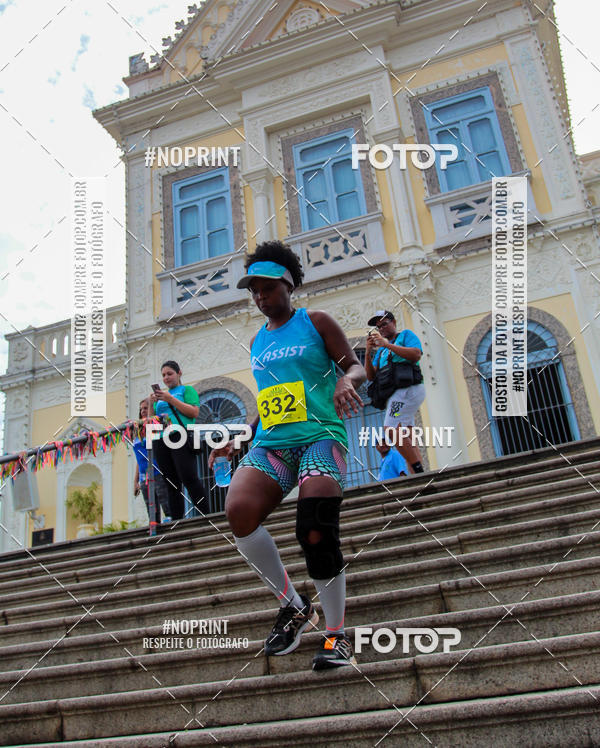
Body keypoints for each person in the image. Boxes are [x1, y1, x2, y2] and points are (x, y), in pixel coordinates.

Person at [208, 240, 365, 671]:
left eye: (268, 287)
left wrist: (344, 381)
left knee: (314, 528)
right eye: (254, 290)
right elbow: (271, 400)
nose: (260, 296)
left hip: (319, 435)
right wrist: (239, 437)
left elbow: (356, 365)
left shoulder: (316, 322)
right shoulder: (258, 341)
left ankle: (336, 636)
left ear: (289, 284)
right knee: (238, 509)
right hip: (274, 443)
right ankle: (294, 606)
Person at [364, 310, 426, 475]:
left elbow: (416, 354)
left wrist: (387, 344)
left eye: (384, 324)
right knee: (407, 437)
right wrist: (368, 353)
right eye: (378, 327)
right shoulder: (381, 352)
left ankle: (418, 469)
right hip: (396, 394)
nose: (382, 328)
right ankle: (417, 476)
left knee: (390, 427)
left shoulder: (405, 335)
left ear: (394, 322)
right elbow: (370, 376)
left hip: (407, 390)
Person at [152, 361, 208, 519]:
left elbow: (194, 412)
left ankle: (206, 514)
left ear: (179, 373)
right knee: (170, 481)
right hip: (161, 438)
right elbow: (153, 421)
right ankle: (177, 519)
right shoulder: (161, 398)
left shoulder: (186, 390)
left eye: (170, 374)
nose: (166, 378)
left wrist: (170, 399)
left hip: (180, 434)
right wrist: (152, 403)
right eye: (163, 375)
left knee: (188, 476)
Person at [133, 397, 171, 523]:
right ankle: (155, 533)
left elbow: (150, 426)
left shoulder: (155, 427)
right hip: (144, 475)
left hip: (157, 470)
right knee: (151, 510)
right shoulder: (137, 431)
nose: (143, 411)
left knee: (166, 503)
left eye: (145, 408)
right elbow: (138, 459)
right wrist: (135, 481)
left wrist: (151, 406)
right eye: (141, 409)